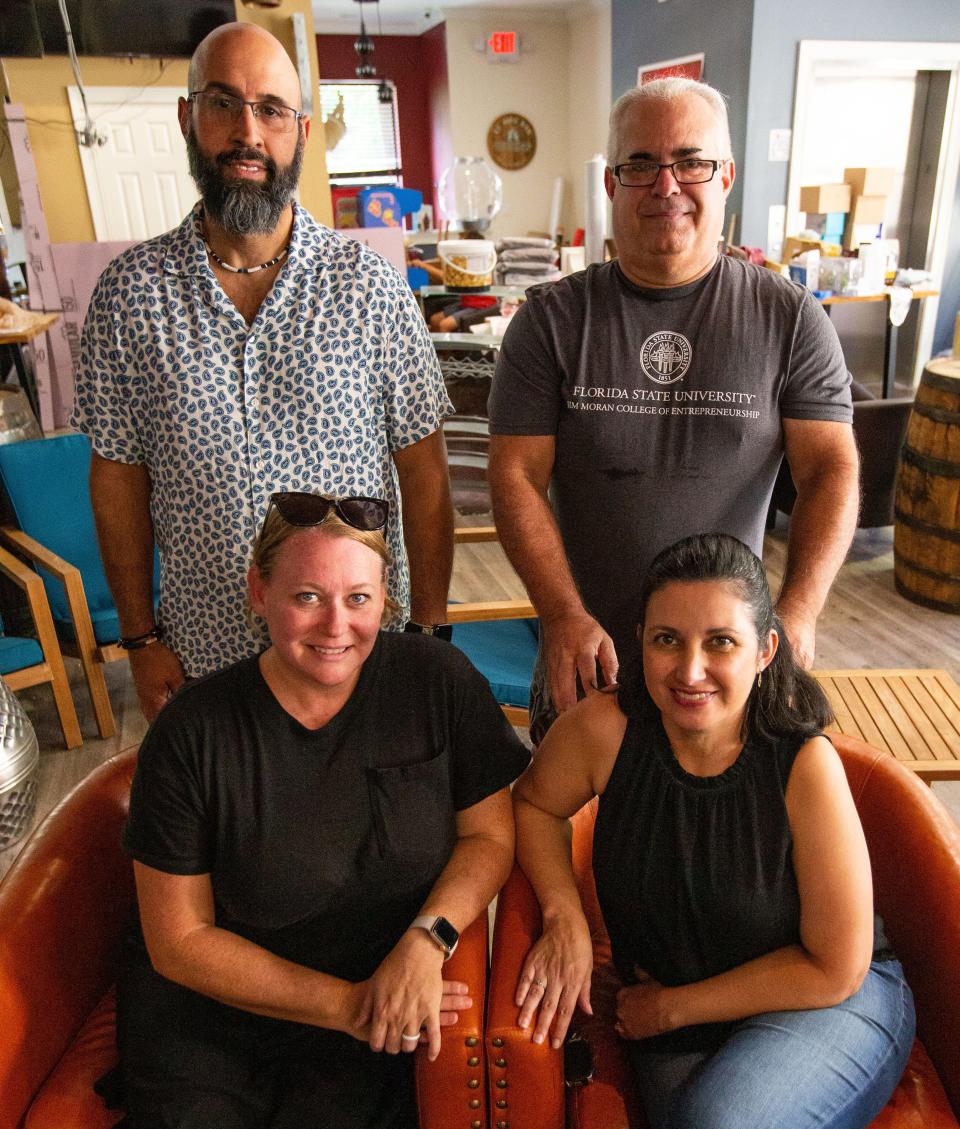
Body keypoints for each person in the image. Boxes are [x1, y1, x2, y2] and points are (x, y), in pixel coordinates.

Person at [71, 21, 454, 722]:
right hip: (207, 664)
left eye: (271, 110)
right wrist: (139, 637)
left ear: (301, 132)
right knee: (229, 834)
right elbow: (117, 480)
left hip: (360, 658)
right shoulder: (129, 298)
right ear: (189, 119)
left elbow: (425, 474)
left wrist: (429, 632)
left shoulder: (369, 289)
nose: (248, 132)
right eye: (224, 104)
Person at [116, 492, 529, 1129]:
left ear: (384, 596)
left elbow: (489, 837)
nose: (337, 626)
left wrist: (427, 940)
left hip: (375, 1000)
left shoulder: (436, 681)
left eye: (358, 598)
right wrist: (350, 1006)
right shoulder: (192, 733)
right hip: (213, 1018)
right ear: (259, 592)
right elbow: (179, 943)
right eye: (307, 596)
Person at [488, 77, 860, 742]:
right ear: (611, 184)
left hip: (730, 665)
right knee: (574, 836)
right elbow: (515, 476)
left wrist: (799, 612)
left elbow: (831, 469)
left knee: (732, 839)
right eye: (641, 165)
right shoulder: (549, 321)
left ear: (726, 178)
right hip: (590, 657)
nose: (666, 187)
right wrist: (562, 614)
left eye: (691, 162)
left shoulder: (791, 319)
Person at [511, 532, 914, 1129]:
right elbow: (535, 807)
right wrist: (564, 912)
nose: (690, 670)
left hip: (821, 1002)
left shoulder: (805, 764)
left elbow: (836, 968)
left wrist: (674, 1009)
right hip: (671, 1015)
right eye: (666, 640)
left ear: (765, 650)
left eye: (720, 642)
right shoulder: (604, 732)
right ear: (641, 643)